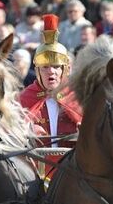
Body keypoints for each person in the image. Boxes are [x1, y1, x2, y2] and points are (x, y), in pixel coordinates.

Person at [19, 14, 82, 150]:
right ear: (38, 71)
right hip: (35, 166)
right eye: (45, 67)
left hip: (70, 166)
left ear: (65, 70)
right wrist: (27, 130)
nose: (51, 71)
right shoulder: (24, 98)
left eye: (56, 67)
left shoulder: (77, 97)